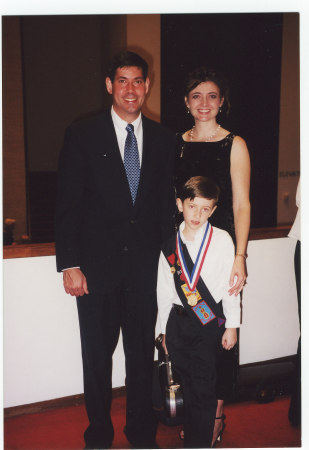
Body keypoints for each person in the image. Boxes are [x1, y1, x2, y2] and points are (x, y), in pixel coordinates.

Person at [55, 50, 176, 449]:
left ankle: (141, 435)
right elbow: (67, 204)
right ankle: (99, 437)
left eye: (137, 81)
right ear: (109, 85)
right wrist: (69, 264)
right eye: (122, 81)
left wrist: (172, 266)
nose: (130, 89)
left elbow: (162, 211)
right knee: (97, 362)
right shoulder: (83, 134)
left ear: (147, 85)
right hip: (96, 273)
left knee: (141, 360)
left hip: (144, 273)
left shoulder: (162, 139)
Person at [174, 67, 251, 444]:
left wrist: (240, 255)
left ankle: (215, 416)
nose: (204, 103)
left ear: (222, 102)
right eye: (196, 96)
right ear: (187, 102)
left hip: (220, 253)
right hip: (186, 253)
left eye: (212, 96)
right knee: (190, 339)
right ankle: (196, 410)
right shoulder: (177, 143)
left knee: (220, 333)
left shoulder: (233, 143)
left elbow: (241, 203)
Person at [157, 176, 241, 448]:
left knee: (204, 389)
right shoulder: (170, 246)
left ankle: (200, 443)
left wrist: (232, 325)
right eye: (192, 206)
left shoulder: (222, 240)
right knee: (187, 387)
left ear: (214, 210)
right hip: (178, 324)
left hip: (208, 324)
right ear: (180, 204)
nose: (198, 214)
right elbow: (164, 291)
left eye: (206, 209)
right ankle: (193, 437)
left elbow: (231, 287)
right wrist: (162, 332)